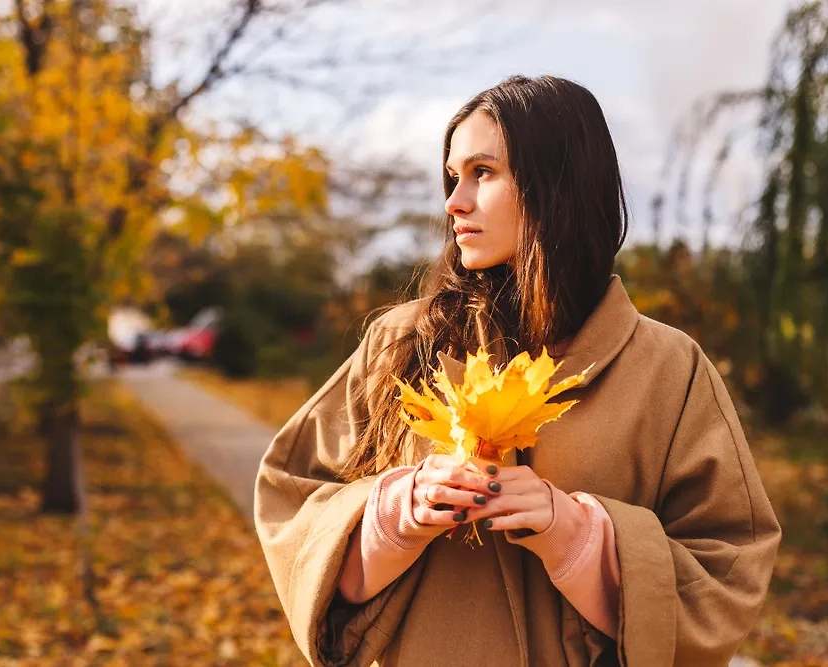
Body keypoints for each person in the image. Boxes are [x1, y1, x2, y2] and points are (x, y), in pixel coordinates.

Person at [254, 75, 781, 667]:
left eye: (483, 173)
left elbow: (729, 561)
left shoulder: (668, 368)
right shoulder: (399, 343)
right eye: (454, 176)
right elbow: (292, 503)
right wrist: (395, 514)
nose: (454, 202)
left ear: (559, 184)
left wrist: (580, 536)